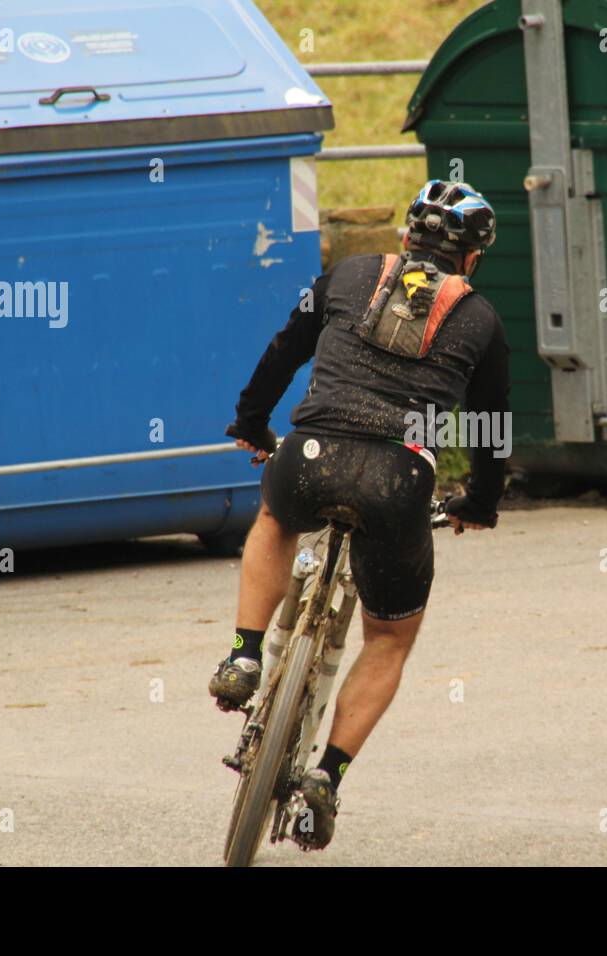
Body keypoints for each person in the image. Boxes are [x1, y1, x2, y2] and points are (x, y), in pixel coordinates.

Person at [209, 180, 509, 850]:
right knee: (389, 639)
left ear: (407, 237)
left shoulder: (346, 273)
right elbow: (492, 427)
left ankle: (244, 655)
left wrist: (252, 425)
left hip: (309, 454)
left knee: (276, 523)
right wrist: (481, 504)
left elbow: (284, 351)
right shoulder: (482, 320)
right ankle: (326, 780)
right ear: (472, 260)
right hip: (398, 481)